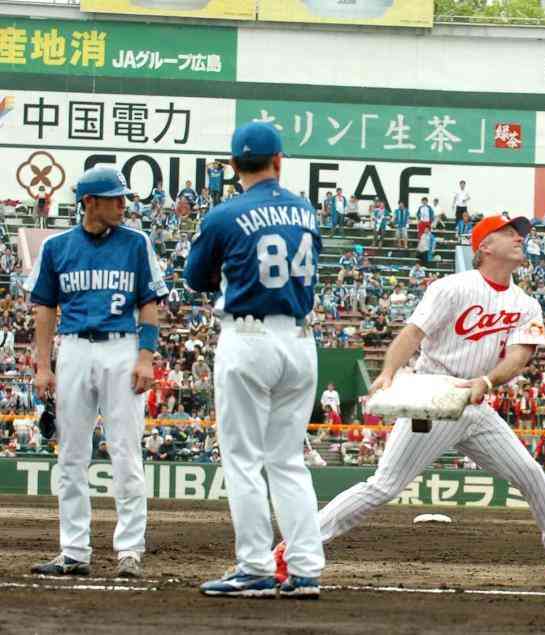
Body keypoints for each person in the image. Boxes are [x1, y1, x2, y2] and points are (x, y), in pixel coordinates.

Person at [274, 214, 545, 591]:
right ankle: (292, 551)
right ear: (484, 246)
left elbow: (519, 357)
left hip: (475, 403)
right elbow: (413, 333)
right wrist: (388, 372)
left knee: (533, 477)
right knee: (383, 485)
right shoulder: (452, 288)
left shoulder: (526, 303)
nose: (519, 238)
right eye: (509, 233)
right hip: (433, 397)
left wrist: (487, 380)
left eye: (521, 234)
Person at [184, 122, 325, 598]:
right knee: (287, 460)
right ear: (279, 161)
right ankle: (304, 567)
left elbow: (196, 279)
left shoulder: (224, 215)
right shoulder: (305, 210)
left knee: (244, 460)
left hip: (247, 337)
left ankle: (255, 566)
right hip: (300, 339)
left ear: (232, 166)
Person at [26, 166, 168, 579]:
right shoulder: (57, 247)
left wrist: (146, 356)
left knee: (125, 451)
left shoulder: (136, 243)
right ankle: (73, 551)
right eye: (115, 198)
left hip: (121, 347)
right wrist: (42, 365)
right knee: (71, 454)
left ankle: (130, 551)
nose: (123, 205)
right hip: (73, 348)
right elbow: (44, 309)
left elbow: (149, 304)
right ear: (89, 202)